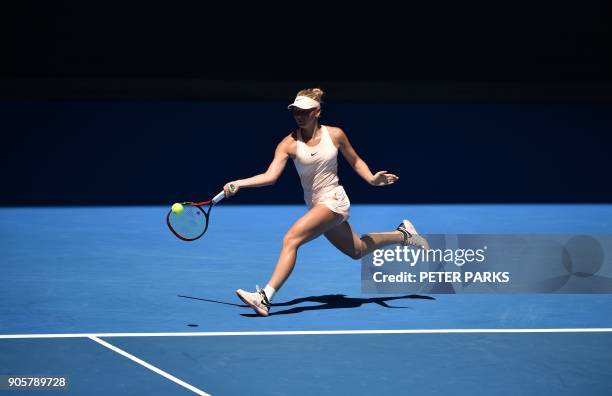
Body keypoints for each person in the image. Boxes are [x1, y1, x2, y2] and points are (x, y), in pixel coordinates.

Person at [223, 88, 429, 316]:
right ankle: (404, 235)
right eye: (296, 111)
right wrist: (239, 182)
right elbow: (270, 177)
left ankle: (265, 297)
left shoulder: (336, 135)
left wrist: (372, 179)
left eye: (305, 111)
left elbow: (355, 160)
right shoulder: (288, 143)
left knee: (291, 239)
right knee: (358, 250)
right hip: (316, 206)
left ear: (317, 111)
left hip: (333, 200)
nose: (299, 115)